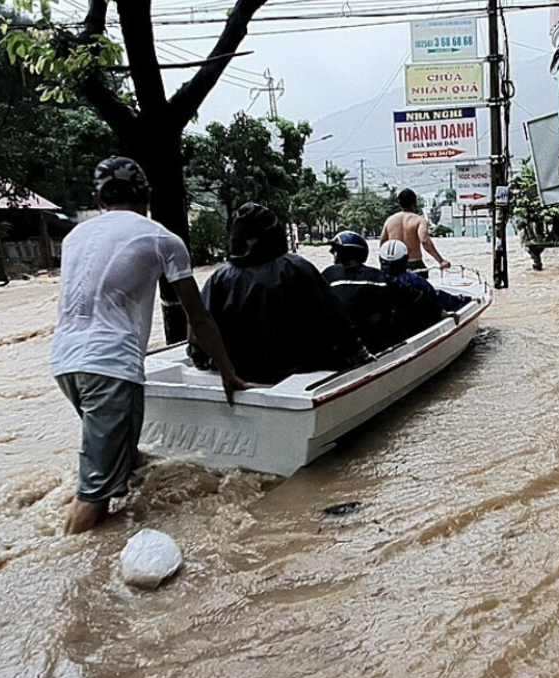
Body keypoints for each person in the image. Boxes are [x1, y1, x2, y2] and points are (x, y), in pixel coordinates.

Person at [50, 156, 248, 536]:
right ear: (146, 195)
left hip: (65, 362)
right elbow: (198, 316)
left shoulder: (74, 236)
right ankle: (69, 562)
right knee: (94, 491)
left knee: (123, 461)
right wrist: (228, 371)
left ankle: (114, 537)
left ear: (97, 197)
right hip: (109, 366)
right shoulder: (162, 239)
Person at [194, 203, 372, 384]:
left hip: (240, 375)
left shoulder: (219, 279)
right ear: (275, 234)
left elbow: (199, 332)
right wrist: (359, 351)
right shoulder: (298, 268)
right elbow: (336, 319)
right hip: (303, 372)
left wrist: (205, 360)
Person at [378, 240, 469, 339]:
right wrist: (464, 301)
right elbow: (435, 299)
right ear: (405, 259)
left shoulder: (370, 280)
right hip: (414, 330)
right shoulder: (415, 281)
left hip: (384, 336)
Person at [322, 231, 395, 353]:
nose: (332, 254)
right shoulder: (378, 277)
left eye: (335, 251)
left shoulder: (328, 275)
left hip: (336, 345)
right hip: (372, 344)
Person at [380, 188, 450, 277]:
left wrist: (383, 264)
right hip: (414, 264)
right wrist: (441, 261)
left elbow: (383, 244)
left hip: (394, 265)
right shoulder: (419, 220)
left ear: (399, 203)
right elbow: (425, 242)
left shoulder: (390, 220)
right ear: (414, 203)